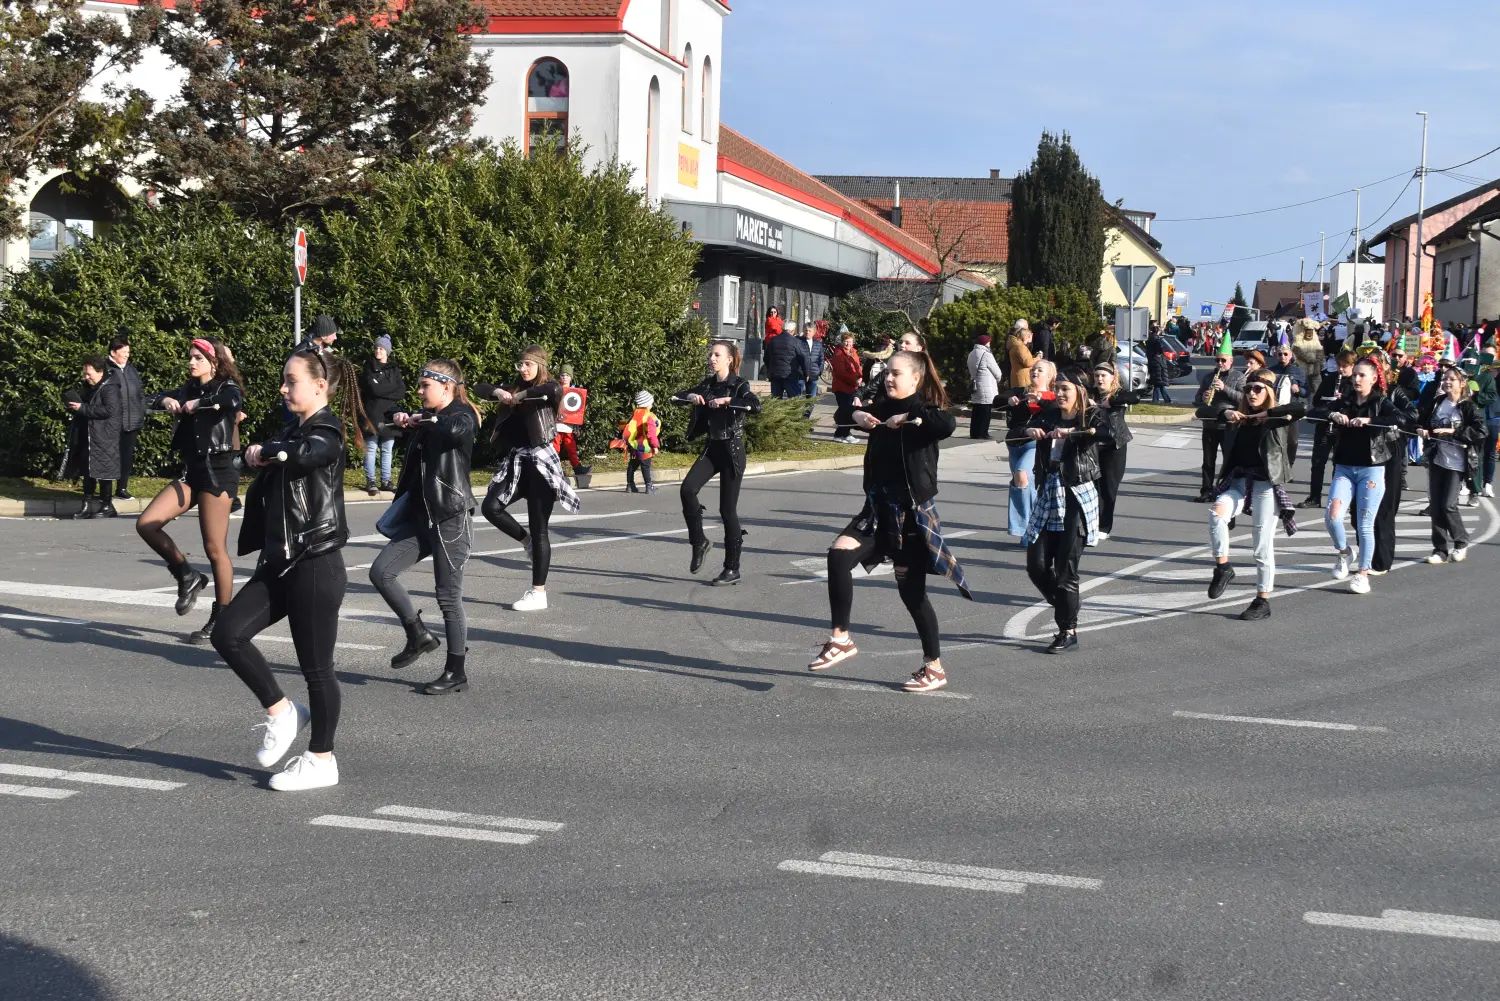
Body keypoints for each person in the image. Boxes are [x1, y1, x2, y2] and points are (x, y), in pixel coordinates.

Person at [210, 348, 353, 791]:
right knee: (226, 633)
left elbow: (313, 452)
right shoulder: (293, 430)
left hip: (315, 564)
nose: (284, 388)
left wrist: (268, 451)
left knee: (317, 670)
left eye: (291, 380)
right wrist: (246, 457)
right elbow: (273, 457)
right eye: (285, 380)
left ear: (319, 386)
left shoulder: (326, 430)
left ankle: (321, 759)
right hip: (279, 564)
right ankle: (281, 711)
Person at [807, 350, 969, 691]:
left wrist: (909, 417)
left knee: (912, 595)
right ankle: (841, 640)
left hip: (909, 517)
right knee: (837, 556)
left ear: (916, 378)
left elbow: (947, 424)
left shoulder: (925, 410)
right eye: (888, 373)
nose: (889, 378)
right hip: (876, 510)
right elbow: (841, 414)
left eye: (897, 373)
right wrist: (860, 414)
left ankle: (934, 667)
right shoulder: (881, 403)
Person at [370, 360, 479, 694]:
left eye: (424, 386)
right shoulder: (428, 418)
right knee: (381, 572)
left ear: (446, 387)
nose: (419, 392)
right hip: (421, 518)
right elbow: (385, 422)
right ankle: (418, 634)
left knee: (448, 597)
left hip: (450, 516)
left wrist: (425, 419)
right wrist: (400, 417)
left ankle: (455, 670)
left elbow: (454, 431)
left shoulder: (461, 415)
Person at [136, 338, 244, 644]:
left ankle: (223, 617)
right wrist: (163, 402)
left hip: (219, 472)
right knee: (146, 524)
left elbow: (233, 403)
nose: (192, 362)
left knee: (214, 548)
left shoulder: (224, 387)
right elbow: (147, 399)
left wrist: (201, 404)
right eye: (190, 358)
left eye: (198, 358)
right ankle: (186, 574)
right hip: (191, 472)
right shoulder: (186, 389)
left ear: (213, 362)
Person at [476, 345, 579, 612]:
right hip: (517, 460)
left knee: (540, 527)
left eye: (528, 365)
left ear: (540, 366)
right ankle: (526, 542)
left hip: (541, 461)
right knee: (491, 507)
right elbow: (479, 387)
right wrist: (500, 393)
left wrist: (519, 396)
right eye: (520, 364)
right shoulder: (511, 388)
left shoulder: (549, 390)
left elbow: (553, 390)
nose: (523, 369)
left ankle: (538, 593)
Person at [1200, 370, 1305, 620]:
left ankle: (1262, 600)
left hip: (1265, 485)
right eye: (1248, 389)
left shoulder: (1276, 419)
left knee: (1261, 546)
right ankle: (1223, 568)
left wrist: (1266, 414)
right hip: (1237, 481)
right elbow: (1201, 411)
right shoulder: (1238, 417)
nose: (1252, 393)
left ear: (1268, 392)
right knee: (1216, 514)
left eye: (1258, 389)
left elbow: (1300, 408)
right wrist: (1224, 413)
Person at [1022, 371, 1112, 653]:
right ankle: (1064, 603)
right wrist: (1030, 431)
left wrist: (1073, 432)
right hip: (1049, 492)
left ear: (1079, 391)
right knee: (1036, 566)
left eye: (1065, 389)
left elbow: (1109, 433)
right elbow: (1018, 428)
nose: (1059, 394)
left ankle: (1067, 630)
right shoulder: (1049, 414)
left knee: (1065, 570)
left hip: (1076, 494)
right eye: (1057, 388)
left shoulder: (1091, 415)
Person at [673, 341, 762, 584]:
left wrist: (726, 401)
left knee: (727, 511)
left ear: (729, 360)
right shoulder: (707, 384)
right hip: (712, 449)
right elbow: (676, 396)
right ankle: (699, 541)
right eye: (710, 354)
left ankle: (732, 568)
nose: (712, 358)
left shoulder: (739, 384)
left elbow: (755, 405)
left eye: (717, 354)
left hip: (732, 451)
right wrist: (691, 396)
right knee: (687, 489)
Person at [1313, 356, 1401, 594]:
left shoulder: (1381, 402)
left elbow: (1401, 418)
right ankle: (1344, 553)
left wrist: (1370, 420)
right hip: (1344, 467)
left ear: (1374, 378)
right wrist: (1333, 415)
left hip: (1371, 469)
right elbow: (1316, 408)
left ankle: (1363, 575)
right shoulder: (1345, 400)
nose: (1357, 379)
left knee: (1365, 525)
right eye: (1355, 375)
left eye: (1362, 375)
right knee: (1332, 517)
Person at [1416, 365, 1484, 563]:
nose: (1446, 382)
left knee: (1448, 505)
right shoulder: (1438, 402)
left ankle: (1461, 541)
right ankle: (1439, 550)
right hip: (1437, 459)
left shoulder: (1469, 407)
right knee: (1436, 506)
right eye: (1445, 378)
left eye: (1451, 379)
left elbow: (1481, 432)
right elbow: (1421, 420)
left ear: (1462, 383)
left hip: (1458, 462)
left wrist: (1453, 432)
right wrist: (1422, 429)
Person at [63, 355, 122, 519]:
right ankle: (86, 505)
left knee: (104, 471)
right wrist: (74, 407)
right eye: (84, 373)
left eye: (89, 374)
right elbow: (86, 407)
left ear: (100, 372)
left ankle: (107, 505)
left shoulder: (110, 388)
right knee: (88, 471)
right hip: (88, 434)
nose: (86, 377)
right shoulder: (88, 387)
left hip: (105, 436)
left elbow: (108, 410)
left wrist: (82, 408)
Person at [1003, 359, 1057, 537]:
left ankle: (1025, 529)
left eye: (1040, 370)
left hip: (1037, 445)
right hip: (1016, 443)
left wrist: (1041, 401)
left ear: (1049, 376)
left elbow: (1059, 412)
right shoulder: (1021, 392)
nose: (1035, 372)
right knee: (1024, 487)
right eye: (1033, 369)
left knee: (1021, 476)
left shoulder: (1053, 397)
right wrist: (1008, 400)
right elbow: (997, 401)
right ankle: (1036, 526)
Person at [1299, 350, 1354, 508]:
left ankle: (1337, 499)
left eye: (1345, 366)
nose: (1341, 369)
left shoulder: (1354, 382)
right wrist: (1329, 409)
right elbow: (1316, 402)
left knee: (1339, 466)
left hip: (1343, 430)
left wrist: (1341, 405)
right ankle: (1314, 498)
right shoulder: (1330, 379)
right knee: (1317, 463)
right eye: (1339, 365)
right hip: (1325, 426)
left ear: (1352, 366)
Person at [1091, 361, 1140, 540]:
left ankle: (1104, 527)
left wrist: (1110, 401)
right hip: (1094, 443)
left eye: (1103, 375)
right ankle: (1091, 524)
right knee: (1093, 486)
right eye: (1097, 376)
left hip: (1115, 444)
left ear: (1113, 378)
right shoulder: (1091, 393)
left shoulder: (1117, 393)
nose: (1100, 379)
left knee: (1108, 487)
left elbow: (1134, 398)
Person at [1192, 342, 1244, 502]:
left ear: (1230, 361)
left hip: (1229, 425)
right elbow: (1197, 398)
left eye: (1223, 360)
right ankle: (1206, 490)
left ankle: (1227, 490)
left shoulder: (1238, 377)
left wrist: (1225, 389)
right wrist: (1203, 398)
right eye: (1217, 360)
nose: (1219, 364)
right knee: (1208, 461)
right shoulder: (1208, 377)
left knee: (1229, 460)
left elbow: (1243, 399)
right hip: (1210, 423)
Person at [360, 335, 407, 495]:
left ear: (387, 351)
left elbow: (401, 391)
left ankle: (386, 480)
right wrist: (389, 389)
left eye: (381, 348)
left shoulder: (394, 369)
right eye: (376, 348)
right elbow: (373, 389)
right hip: (372, 413)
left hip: (390, 413)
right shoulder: (368, 367)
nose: (378, 350)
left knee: (387, 447)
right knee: (371, 447)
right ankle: (370, 481)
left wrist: (382, 389)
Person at [107, 336, 145, 501]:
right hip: (112, 422)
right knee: (109, 457)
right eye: (123, 352)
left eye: (128, 352)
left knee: (126, 457)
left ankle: (122, 488)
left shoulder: (131, 369)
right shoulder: (105, 369)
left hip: (132, 421)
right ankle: (105, 491)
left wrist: (142, 409)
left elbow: (140, 392)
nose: (127, 355)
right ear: (113, 352)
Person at [552, 366, 592, 478]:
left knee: (571, 448)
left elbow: (577, 411)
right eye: (562, 375)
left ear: (571, 378)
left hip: (569, 426)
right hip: (557, 424)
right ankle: (555, 469)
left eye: (567, 375)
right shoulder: (555, 389)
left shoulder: (576, 392)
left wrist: (577, 428)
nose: (564, 377)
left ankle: (577, 468)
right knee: (555, 448)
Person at [620, 391, 661, 493]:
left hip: (633, 446)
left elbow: (622, 426)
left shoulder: (633, 415)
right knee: (645, 466)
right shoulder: (648, 417)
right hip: (645, 447)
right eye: (651, 403)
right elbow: (651, 434)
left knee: (632, 465)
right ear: (647, 404)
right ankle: (649, 486)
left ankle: (629, 485)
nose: (652, 405)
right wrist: (655, 446)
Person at [828, 328, 863, 443]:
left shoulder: (854, 352)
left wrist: (860, 376)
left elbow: (858, 367)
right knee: (846, 410)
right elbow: (842, 373)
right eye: (846, 341)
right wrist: (855, 380)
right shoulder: (839, 354)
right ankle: (843, 434)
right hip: (842, 387)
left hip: (852, 387)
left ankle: (842, 434)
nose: (848, 344)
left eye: (850, 341)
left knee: (846, 410)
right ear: (842, 342)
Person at [966, 333, 1004, 439]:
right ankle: (983, 432)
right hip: (987, 385)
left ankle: (974, 433)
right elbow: (997, 372)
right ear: (986, 343)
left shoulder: (971, 353)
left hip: (975, 384)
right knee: (985, 411)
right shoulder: (986, 354)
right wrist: (999, 379)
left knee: (976, 410)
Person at [763, 320, 811, 399]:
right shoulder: (796, 342)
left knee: (775, 403)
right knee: (794, 402)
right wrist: (806, 373)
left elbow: (766, 358)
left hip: (775, 376)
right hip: (791, 376)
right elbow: (804, 358)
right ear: (792, 330)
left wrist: (770, 369)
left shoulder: (772, 341)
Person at [1144, 325, 1173, 403]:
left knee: (1158, 384)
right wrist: (1160, 353)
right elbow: (1160, 347)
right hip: (1158, 363)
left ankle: (1157, 400)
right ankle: (1165, 400)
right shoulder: (1156, 339)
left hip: (1153, 362)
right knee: (1159, 383)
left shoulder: (1149, 338)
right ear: (1158, 331)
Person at [1007, 319, 1037, 390]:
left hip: (1017, 377)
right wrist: (1037, 358)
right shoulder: (1020, 347)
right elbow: (1027, 362)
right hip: (1023, 379)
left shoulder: (1013, 344)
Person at [802, 322, 825, 405]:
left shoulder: (818, 344)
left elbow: (821, 359)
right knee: (799, 399)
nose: (807, 332)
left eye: (809, 331)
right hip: (801, 374)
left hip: (814, 374)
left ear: (814, 332)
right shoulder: (798, 342)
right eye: (806, 330)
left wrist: (819, 371)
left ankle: (806, 417)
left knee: (811, 400)